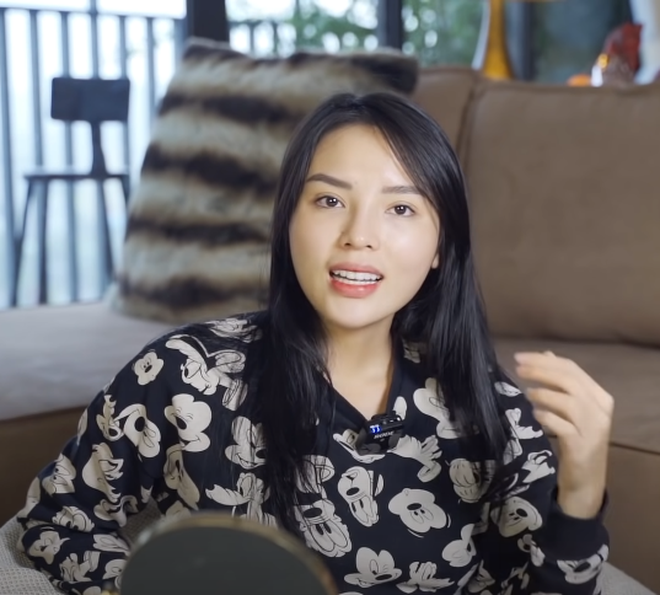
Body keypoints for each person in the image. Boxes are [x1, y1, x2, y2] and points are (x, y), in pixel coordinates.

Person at [17, 91, 613, 595]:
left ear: (440, 248)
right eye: (329, 200)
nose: (359, 235)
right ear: (288, 221)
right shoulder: (183, 376)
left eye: (401, 208)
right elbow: (56, 519)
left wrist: (582, 492)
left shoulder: (493, 410)